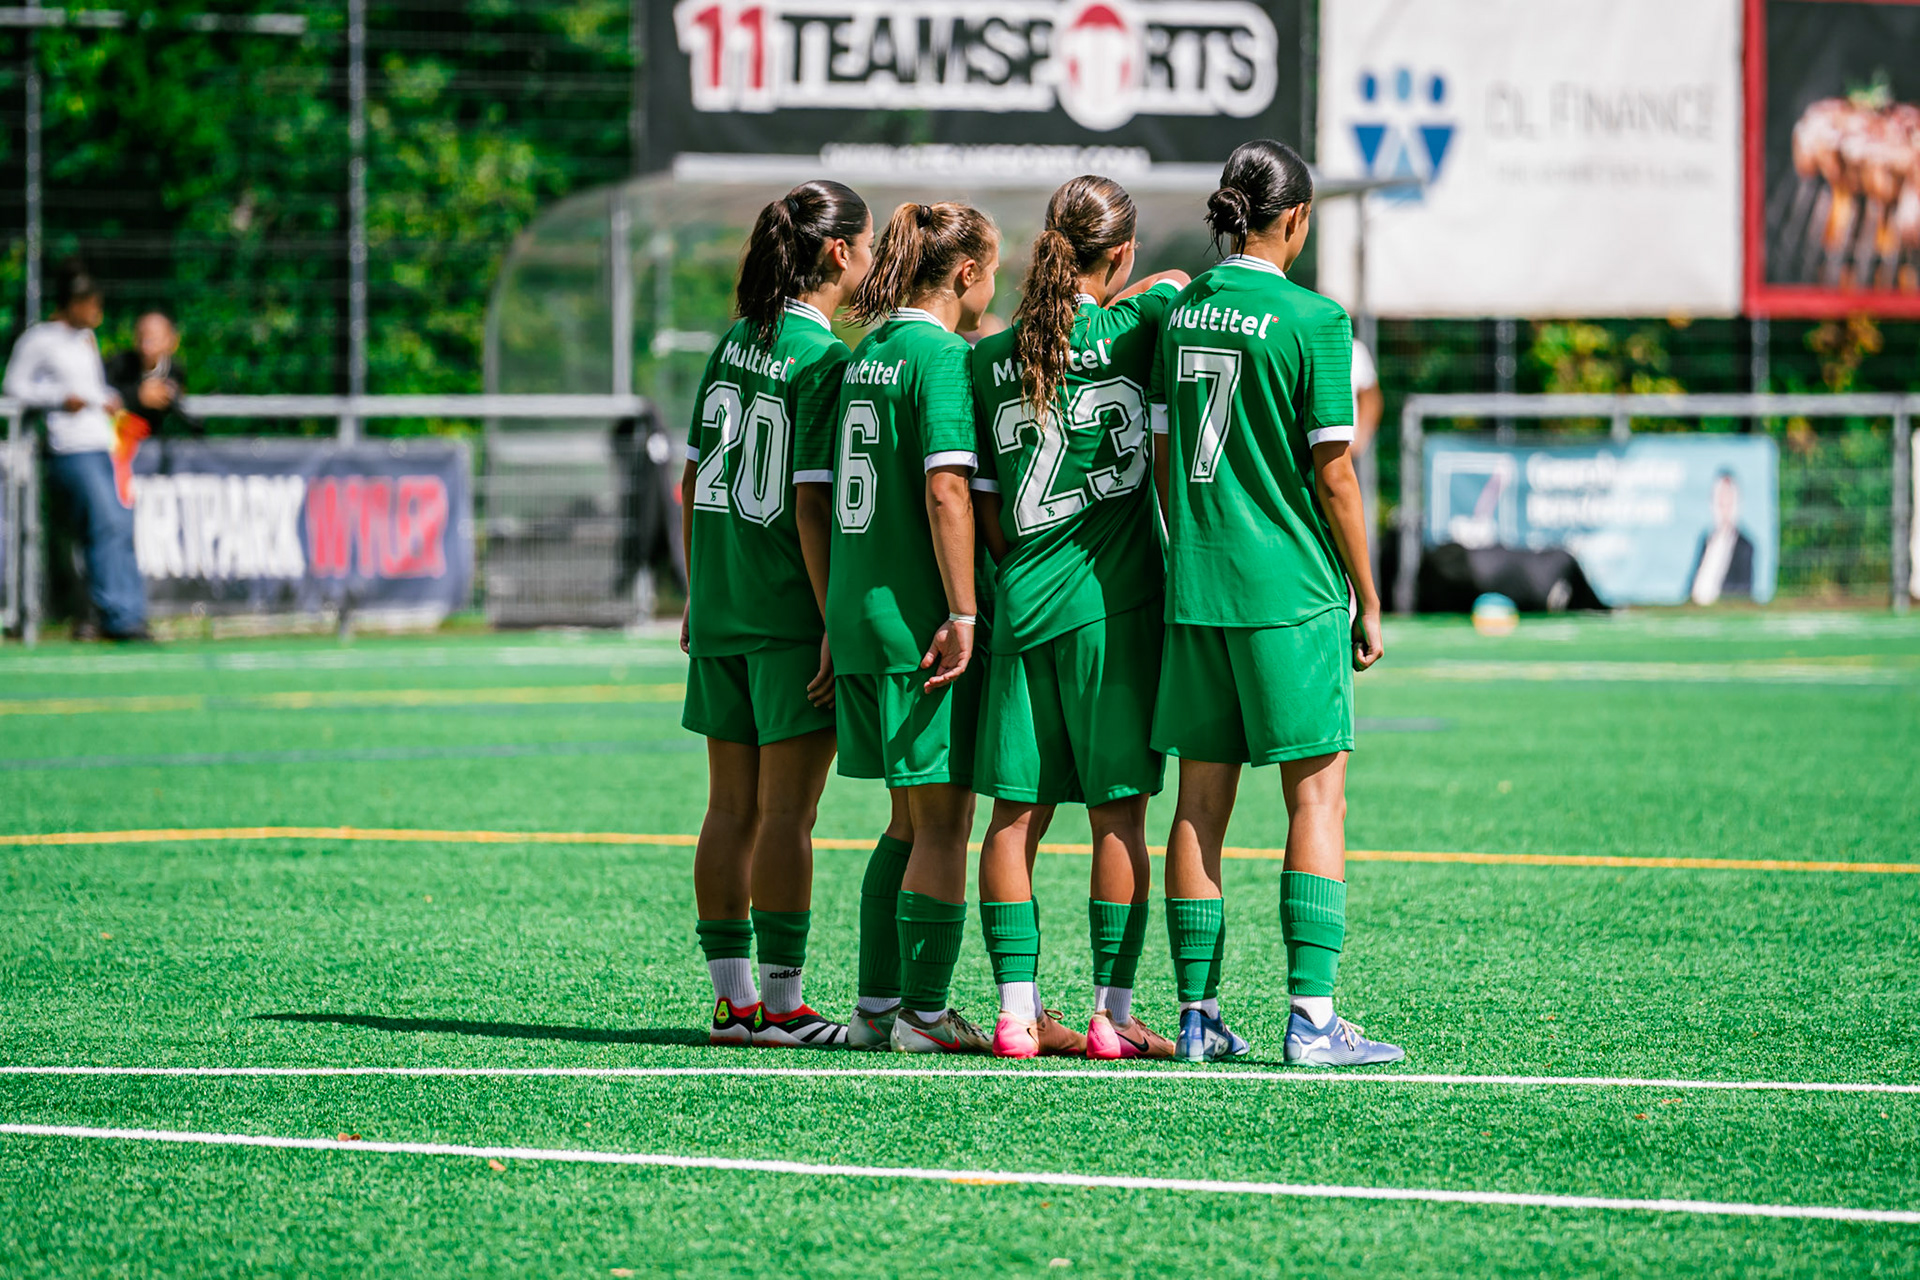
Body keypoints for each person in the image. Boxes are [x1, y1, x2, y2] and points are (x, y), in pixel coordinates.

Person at [1149, 140, 1403, 1066]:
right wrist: (1369, 597)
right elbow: (1336, 476)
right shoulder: (1316, 319)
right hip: (1289, 592)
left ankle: (1196, 1017)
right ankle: (1313, 1019)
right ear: (1293, 218)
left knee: (1198, 805)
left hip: (1197, 590)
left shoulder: (1180, 317)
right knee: (1317, 802)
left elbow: (1171, 462)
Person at [967, 175, 1189, 1060]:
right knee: (1118, 818)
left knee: (1013, 819)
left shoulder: (989, 356)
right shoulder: (1142, 320)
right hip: (1114, 604)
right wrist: (1132, 292)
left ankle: (1017, 1015)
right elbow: (1176, 291)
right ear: (1123, 252)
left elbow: (979, 501)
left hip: (1020, 603)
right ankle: (1111, 1012)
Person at [802, 200, 1000, 1054]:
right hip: (917, 619)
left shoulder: (866, 353)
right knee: (946, 822)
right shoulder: (941, 356)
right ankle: (922, 1012)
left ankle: (876, 1009)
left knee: (905, 823)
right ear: (965, 275)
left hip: (859, 612)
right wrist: (963, 610)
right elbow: (946, 489)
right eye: (993, 270)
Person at [680, 180, 873, 1048]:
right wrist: (835, 614)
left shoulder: (735, 341)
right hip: (788, 613)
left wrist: (696, 589)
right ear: (839, 254)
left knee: (730, 809)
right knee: (789, 815)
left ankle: (733, 1003)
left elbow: (692, 481)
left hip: (721, 604)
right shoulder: (822, 359)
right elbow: (808, 504)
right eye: (864, 245)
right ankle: (786, 1005)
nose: (869, 259)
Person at [4, 262, 149, 641]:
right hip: (70, 448)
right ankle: (120, 618)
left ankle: (119, 613)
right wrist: (57, 399)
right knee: (107, 524)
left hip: (100, 444)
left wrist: (109, 400)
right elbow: (14, 386)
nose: (96, 311)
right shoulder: (40, 340)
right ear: (71, 304)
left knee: (113, 526)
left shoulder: (86, 341)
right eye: (89, 303)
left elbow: (91, 389)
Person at [105, 310, 196, 438]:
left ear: (172, 341)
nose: (145, 346)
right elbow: (101, 394)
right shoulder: (119, 364)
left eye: (154, 338)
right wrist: (138, 396)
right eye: (141, 336)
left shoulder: (174, 369)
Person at [1688, 470, 1756, 605]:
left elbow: (1742, 592)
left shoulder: (1744, 546)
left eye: (1728, 500)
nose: (1724, 506)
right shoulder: (1706, 540)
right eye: (1720, 500)